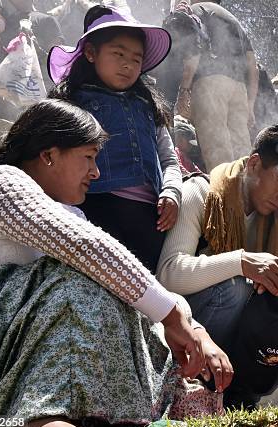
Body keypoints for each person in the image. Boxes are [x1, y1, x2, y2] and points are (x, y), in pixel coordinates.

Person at [0, 99, 233, 427]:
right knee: (74, 284)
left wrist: (194, 329)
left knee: (109, 287)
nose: (96, 172)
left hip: (7, 356)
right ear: (49, 155)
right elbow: (92, 250)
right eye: (88, 157)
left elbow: (119, 270)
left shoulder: (65, 213)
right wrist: (172, 316)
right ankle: (43, 421)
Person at [156, 123, 278, 408]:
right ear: (255, 164)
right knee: (233, 289)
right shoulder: (202, 192)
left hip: (244, 332)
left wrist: (275, 277)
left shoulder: (276, 217)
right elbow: (168, 274)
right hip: (191, 327)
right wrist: (241, 263)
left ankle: (244, 395)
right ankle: (204, 385)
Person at [48, 5, 182, 273]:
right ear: (90, 53)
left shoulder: (148, 106)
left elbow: (169, 159)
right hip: (97, 210)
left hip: (150, 219)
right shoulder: (73, 101)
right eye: (118, 54)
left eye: (136, 58)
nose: (127, 64)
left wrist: (172, 191)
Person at [171, 0, 258, 172]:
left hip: (208, 84)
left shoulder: (195, 10)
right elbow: (252, 67)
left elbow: (193, 53)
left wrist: (184, 90)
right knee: (242, 155)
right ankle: (245, 197)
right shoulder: (234, 20)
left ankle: (224, 197)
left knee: (218, 155)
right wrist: (250, 105)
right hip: (238, 87)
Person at [0, 0, 65, 88]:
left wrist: (36, 48)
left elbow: (58, 62)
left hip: (41, 86)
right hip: (11, 86)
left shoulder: (46, 20)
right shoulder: (5, 23)